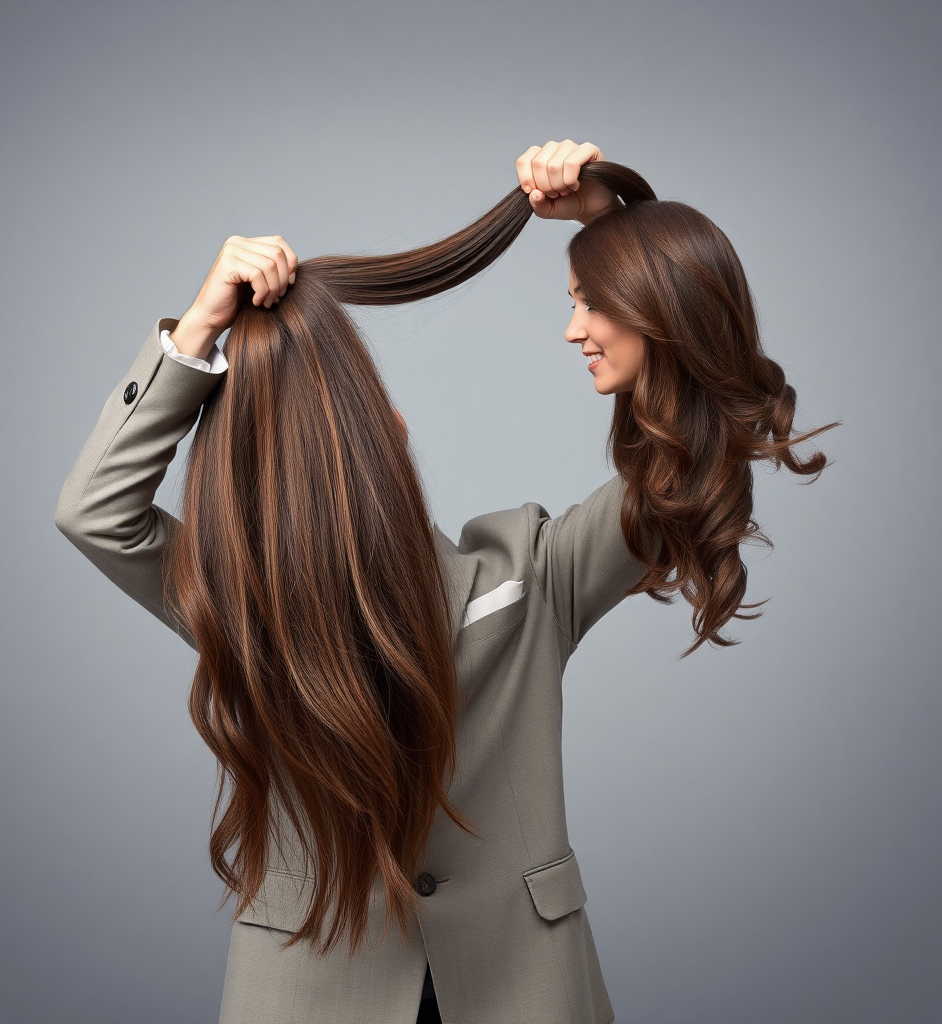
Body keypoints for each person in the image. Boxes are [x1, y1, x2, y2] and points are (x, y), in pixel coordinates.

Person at [55, 140, 837, 1024]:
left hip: (524, 991)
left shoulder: (533, 573)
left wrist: (615, 237)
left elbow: (695, 456)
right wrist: (193, 333)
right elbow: (93, 511)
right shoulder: (247, 606)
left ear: (392, 431)